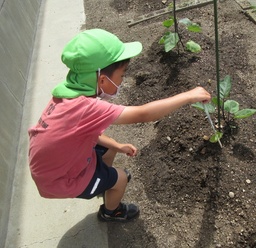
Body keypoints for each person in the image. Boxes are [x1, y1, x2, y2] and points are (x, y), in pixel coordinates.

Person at [28, 28, 211, 222]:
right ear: (102, 79)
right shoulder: (87, 108)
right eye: (122, 75)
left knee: (109, 148)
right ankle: (111, 211)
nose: (123, 80)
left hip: (57, 165)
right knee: (122, 179)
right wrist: (188, 96)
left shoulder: (67, 96)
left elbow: (77, 135)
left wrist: (116, 146)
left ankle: (105, 179)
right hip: (62, 180)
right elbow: (143, 114)